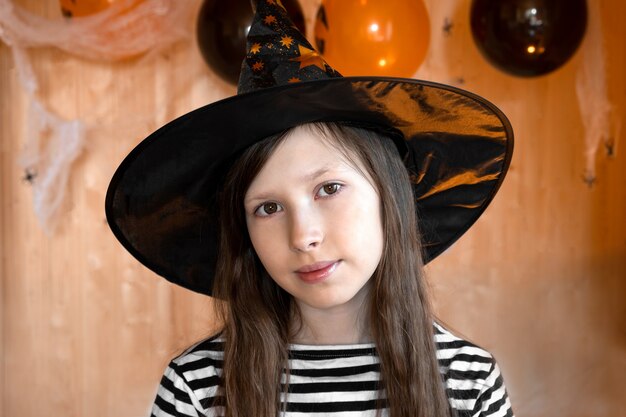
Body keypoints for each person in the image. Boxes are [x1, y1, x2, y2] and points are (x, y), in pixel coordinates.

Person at [105, 2, 515, 417]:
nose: (303, 237)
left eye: (329, 188)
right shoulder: (196, 388)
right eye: (267, 208)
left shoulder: (469, 381)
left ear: (389, 196)